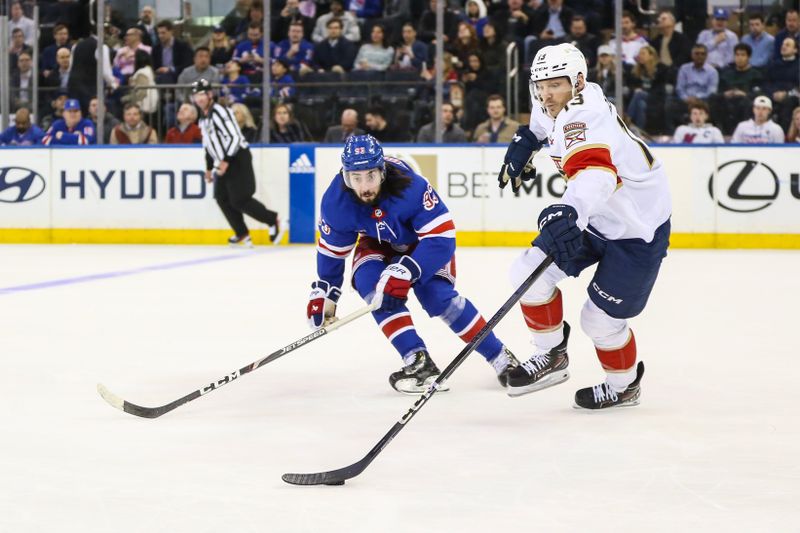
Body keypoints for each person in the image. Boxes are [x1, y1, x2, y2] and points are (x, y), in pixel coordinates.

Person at [496, 43, 671, 409]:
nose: (545, 94)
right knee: (526, 273)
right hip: (594, 218)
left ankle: (623, 387)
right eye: (540, 84)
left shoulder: (585, 116)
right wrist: (527, 140)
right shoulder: (552, 102)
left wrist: (568, 210)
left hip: (636, 230)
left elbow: (598, 175)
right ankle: (551, 355)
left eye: (554, 85)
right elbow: (541, 126)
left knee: (599, 321)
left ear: (577, 82)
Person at [308, 134, 520, 393]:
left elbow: (441, 239)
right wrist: (325, 293)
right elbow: (332, 252)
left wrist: (406, 270)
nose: (364, 186)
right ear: (345, 175)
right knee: (375, 289)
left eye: (370, 176)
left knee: (437, 297)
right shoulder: (336, 202)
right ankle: (418, 361)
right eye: (355, 178)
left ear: (382, 172)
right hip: (377, 243)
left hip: (423, 244)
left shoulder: (411, 187)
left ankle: (500, 356)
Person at [192, 79, 281, 246]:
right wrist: (209, 167)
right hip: (223, 161)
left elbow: (234, 137)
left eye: (202, 94)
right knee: (221, 197)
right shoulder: (203, 118)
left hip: (237, 157)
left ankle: (272, 219)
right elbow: (208, 144)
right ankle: (242, 233)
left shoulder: (220, 112)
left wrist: (226, 161)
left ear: (210, 94)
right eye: (197, 95)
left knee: (240, 198)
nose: (199, 98)